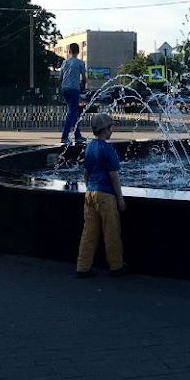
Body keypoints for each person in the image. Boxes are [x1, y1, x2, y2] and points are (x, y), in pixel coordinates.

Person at [75, 112, 126, 278]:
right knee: (111, 231)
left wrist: (88, 188)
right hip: (106, 195)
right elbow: (114, 176)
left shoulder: (89, 147)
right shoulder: (108, 149)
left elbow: (86, 172)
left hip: (90, 193)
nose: (112, 130)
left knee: (89, 232)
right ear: (105, 129)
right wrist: (120, 198)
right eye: (111, 127)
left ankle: (83, 267)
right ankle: (116, 266)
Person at [59, 42, 87, 146]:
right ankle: (64, 136)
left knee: (74, 112)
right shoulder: (80, 63)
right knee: (72, 112)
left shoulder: (65, 62)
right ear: (78, 51)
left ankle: (78, 135)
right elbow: (84, 78)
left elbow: (60, 77)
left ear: (69, 51)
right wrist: (83, 87)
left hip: (65, 89)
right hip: (74, 89)